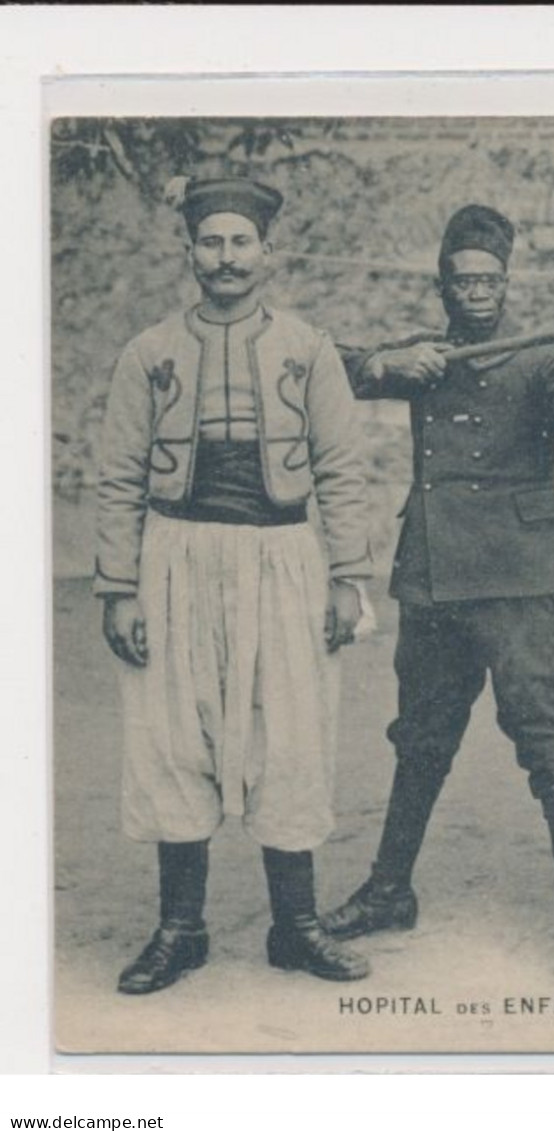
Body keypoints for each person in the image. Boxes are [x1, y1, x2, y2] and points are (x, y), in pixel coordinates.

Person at [320, 205, 554, 993]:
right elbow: (327, 366)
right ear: (445, 286)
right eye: (464, 281)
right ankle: (392, 887)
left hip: (522, 581)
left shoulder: (545, 356)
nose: (479, 293)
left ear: (508, 283)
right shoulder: (425, 356)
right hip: (433, 577)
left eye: (490, 280)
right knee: (420, 739)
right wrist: (393, 366)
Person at [95, 176, 374, 993]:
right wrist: (120, 587)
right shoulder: (149, 352)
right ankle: (180, 927)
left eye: (240, 242)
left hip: (283, 554)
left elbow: (342, 470)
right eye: (211, 243)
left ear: (267, 252)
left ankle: (296, 926)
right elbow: (117, 477)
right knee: (175, 731)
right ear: (189, 252)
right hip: (175, 554)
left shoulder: (308, 347)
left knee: (290, 729)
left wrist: (348, 576)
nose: (226, 258)